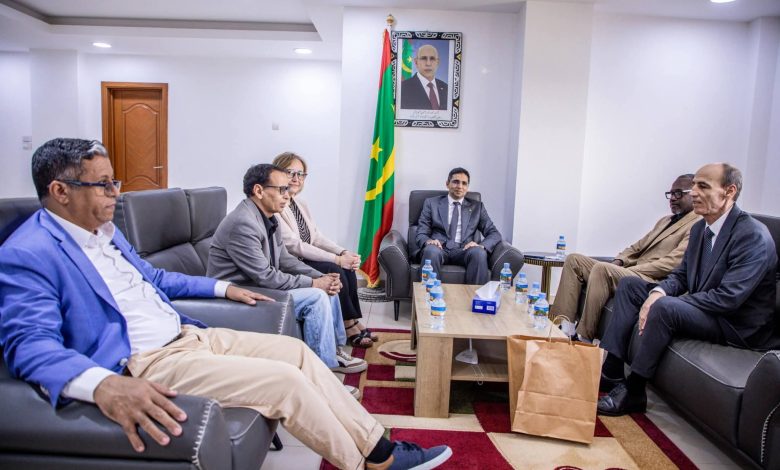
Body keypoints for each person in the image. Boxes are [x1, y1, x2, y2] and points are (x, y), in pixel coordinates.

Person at [0, 138, 452, 470]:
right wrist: (103, 385)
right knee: (285, 382)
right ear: (60, 191)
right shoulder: (28, 253)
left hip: (189, 334)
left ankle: (377, 447)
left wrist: (222, 289)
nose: (115, 193)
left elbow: (156, 279)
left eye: (113, 181)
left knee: (297, 353)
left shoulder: (107, 233)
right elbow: (27, 345)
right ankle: (368, 465)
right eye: (102, 185)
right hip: (145, 361)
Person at [597, 163, 777, 417]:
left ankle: (635, 390)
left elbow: (728, 298)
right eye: (693, 185)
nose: (693, 192)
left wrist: (661, 302)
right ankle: (612, 371)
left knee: (665, 308)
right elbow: (682, 275)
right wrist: (657, 292)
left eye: (703, 186)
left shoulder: (752, 235)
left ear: (729, 191)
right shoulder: (700, 228)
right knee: (630, 285)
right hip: (709, 310)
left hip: (734, 325)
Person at [207, 164, 368, 387]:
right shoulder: (243, 223)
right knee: (316, 296)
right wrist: (314, 283)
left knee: (327, 285)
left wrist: (323, 278)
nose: (287, 195)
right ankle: (321, 381)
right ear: (259, 190)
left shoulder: (268, 217)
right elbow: (266, 276)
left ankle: (332, 352)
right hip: (240, 295)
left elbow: (284, 259)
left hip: (258, 287)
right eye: (282, 189)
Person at [550, 174, 699, 342]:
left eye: (678, 193)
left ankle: (584, 338)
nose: (672, 198)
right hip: (631, 270)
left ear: (694, 194)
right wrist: (619, 261)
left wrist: (630, 269)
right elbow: (637, 247)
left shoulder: (696, 224)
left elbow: (672, 263)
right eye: (670, 194)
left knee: (602, 269)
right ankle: (564, 331)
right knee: (574, 260)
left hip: (652, 278)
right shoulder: (665, 221)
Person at [273, 152, 377, 348]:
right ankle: (348, 326)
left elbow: (316, 237)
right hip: (292, 263)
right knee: (335, 269)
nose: (296, 178)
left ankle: (353, 320)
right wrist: (336, 260)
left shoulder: (300, 203)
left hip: (306, 258)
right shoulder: (276, 205)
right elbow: (295, 245)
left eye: (301, 174)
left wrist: (343, 253)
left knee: (347, 268)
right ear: (277, 173)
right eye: (290, 172)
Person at [416, 167, 501, 285]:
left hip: (464, 250)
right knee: (431, 250)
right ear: (447, 184)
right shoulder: (431, 203)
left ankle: (475, 295)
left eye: (464, 183)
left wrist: (481, 246)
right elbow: (421, 232)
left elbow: (494, 233)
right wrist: (429, 241)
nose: (460, 186)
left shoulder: (477, 207)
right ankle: (429, 294)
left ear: (467, 187)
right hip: (439, 248)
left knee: (478, 253)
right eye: (456, 182)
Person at [400, 44, 449, 111]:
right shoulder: (403, 89)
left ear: (437, 62)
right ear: (416, 62)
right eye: (423, 58)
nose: (428, 63)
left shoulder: (446, 88)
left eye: (432, 58)